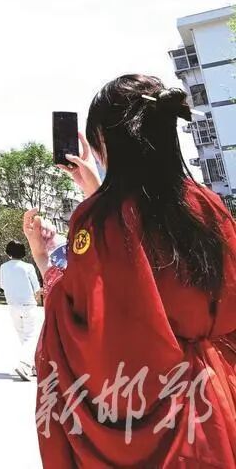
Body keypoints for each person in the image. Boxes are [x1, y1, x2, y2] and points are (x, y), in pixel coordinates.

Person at [25, 75, 236, 466]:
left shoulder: (97, 219)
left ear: (104, 143)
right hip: (215, 405)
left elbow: (86, 321)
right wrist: (97, 190)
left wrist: (46, 263)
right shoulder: (208, 205)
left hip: (147, 411)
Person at [0, 240, 40, 381]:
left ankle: (32, 366)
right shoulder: (28, 267)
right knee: (31, 336)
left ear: (8, 252)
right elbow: (36, 287)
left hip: (12, 305)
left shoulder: (3, 267)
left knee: (23, 336)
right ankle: (24, 364)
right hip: (28, 304)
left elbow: (2, 285)